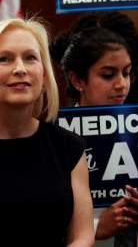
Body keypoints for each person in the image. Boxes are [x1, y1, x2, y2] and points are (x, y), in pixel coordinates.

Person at [51, 24, 138, 246]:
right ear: (77, 80)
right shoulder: (54, 139)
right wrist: (96, 227)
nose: (122, 84)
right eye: (108, 74)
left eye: (127, 73)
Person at [0, 18, 93, 246]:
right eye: (4, 59)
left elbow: (82, 236)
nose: (20, 69)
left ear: (43, 76)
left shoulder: (69, 148)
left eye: (30, 57)